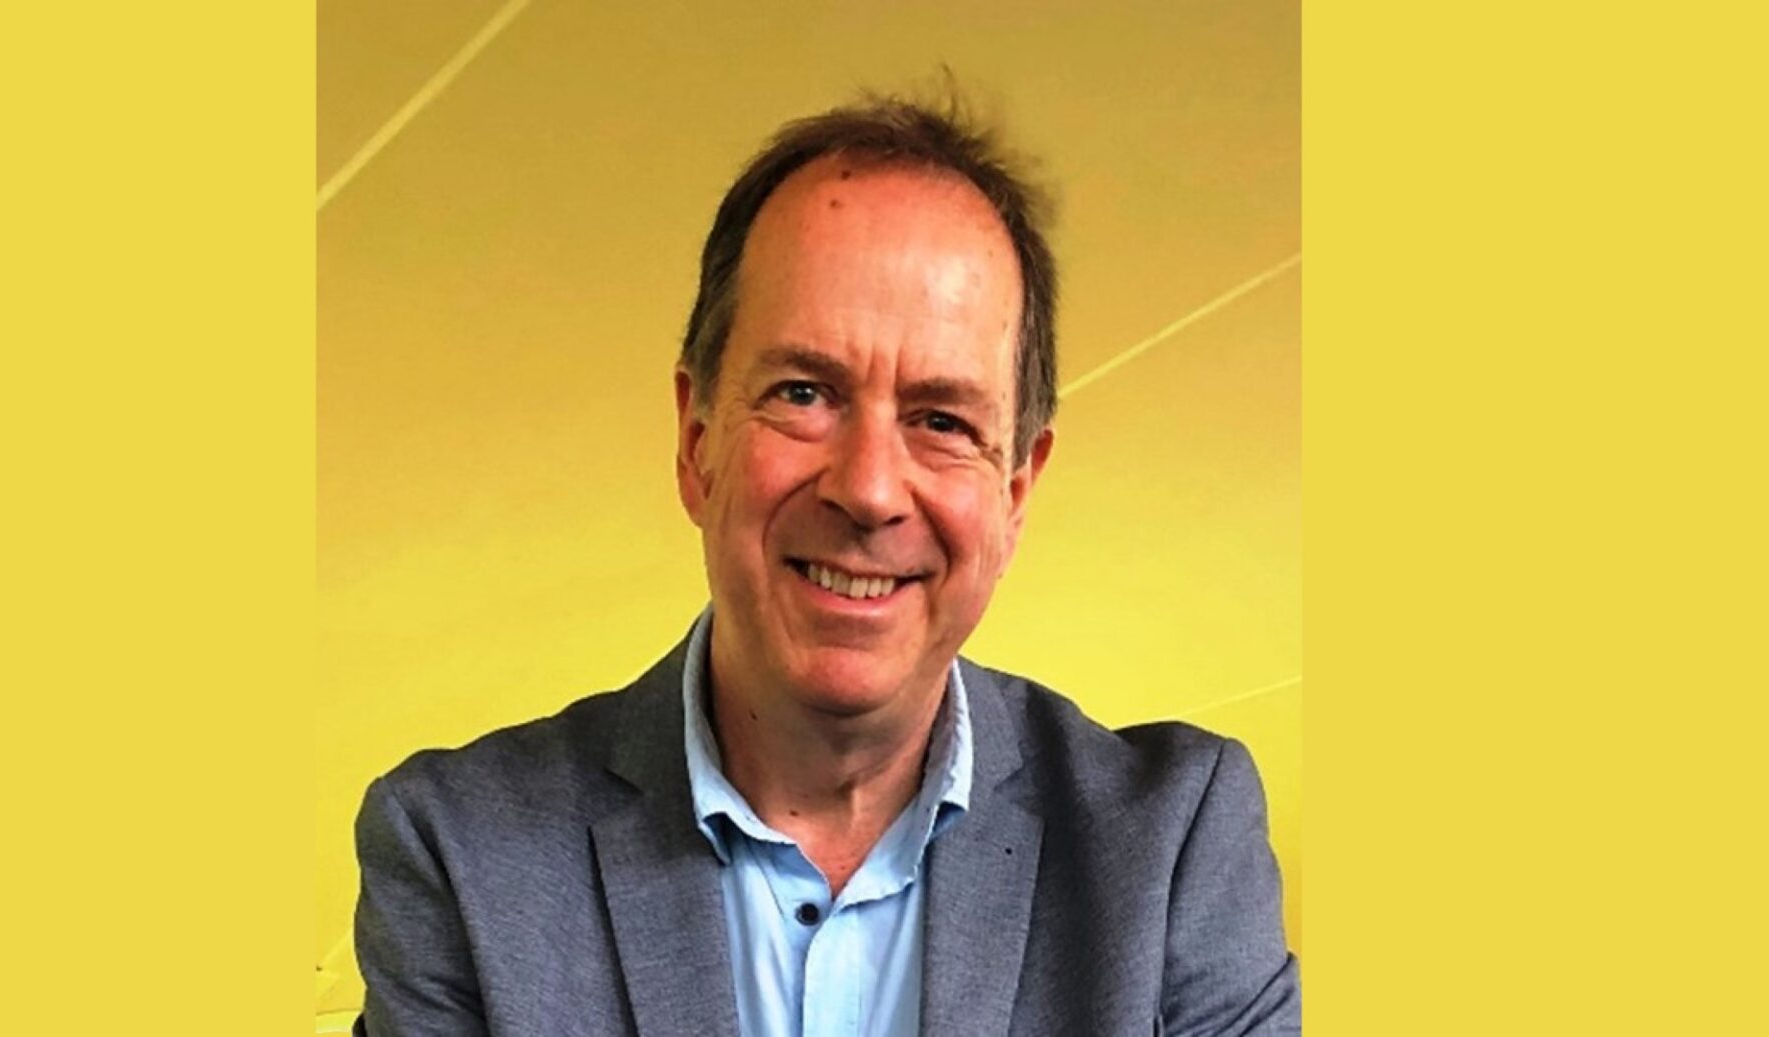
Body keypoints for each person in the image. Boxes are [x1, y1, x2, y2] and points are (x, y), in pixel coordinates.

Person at [352, 92, 1300, 1036]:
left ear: (1014, 494)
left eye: (942, 420)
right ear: (697, 442)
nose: (871, 488)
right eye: (804, 393)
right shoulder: (462, 856)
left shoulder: (1172, 849)